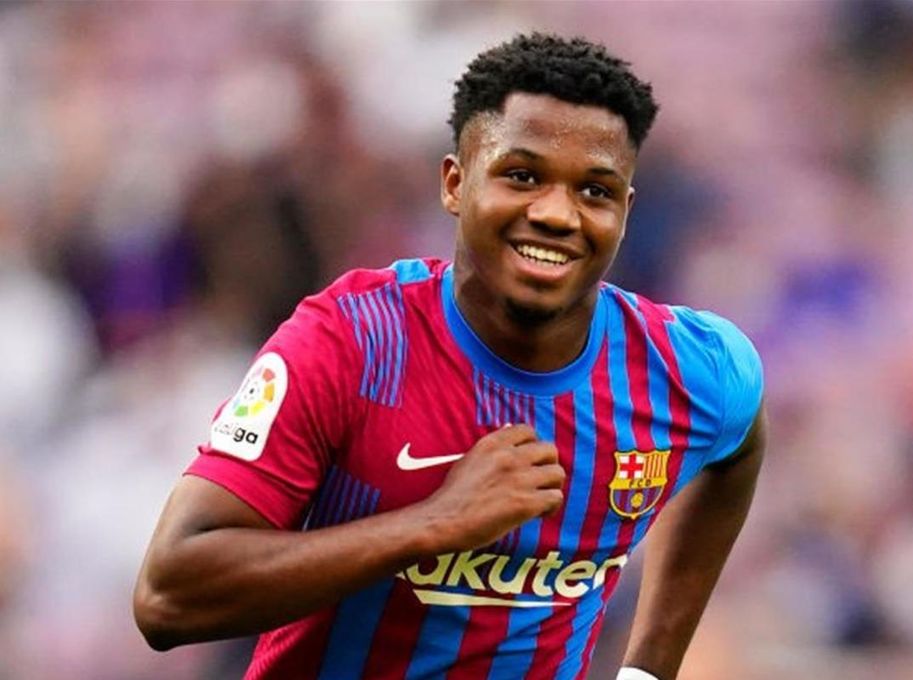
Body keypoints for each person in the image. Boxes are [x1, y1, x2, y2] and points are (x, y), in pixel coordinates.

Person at [133, 33, 766, 680]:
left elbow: (738, 443)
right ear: (455, 183)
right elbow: (167, 596)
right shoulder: (351, 343)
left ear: (624, 211)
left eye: (595, 190)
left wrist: (648, 668)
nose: (557, 213)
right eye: (522, 176)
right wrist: (434, 523)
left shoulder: (687, 369)